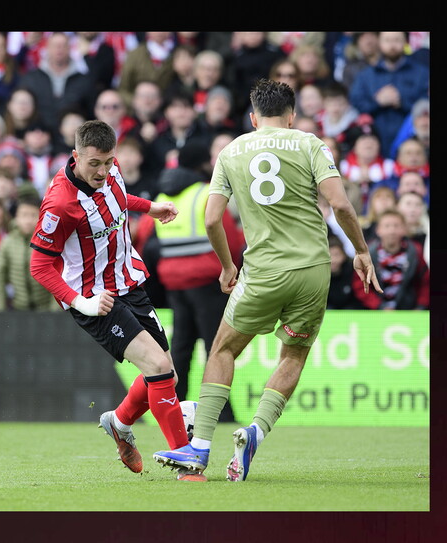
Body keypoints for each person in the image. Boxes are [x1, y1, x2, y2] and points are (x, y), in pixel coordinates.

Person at [153, 78, 382, 482]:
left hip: (262, 271)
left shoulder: (231, 150)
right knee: (293, 355)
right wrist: (362, 251)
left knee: (222, 349)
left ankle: (200, 447)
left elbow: (210, 219)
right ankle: (256, 430)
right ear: (291, 115)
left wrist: (227, 266)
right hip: (313, 271)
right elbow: (341, 204)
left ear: (253, 117)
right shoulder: (310, 143)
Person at [28, 119, 189, 475]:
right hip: (94, 297)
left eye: (108, 162)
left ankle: (118, 422)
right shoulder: (60, 204)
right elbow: (39, 266)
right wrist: (79, 301)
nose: (102, 171)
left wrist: (149, 207)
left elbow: (115, 199)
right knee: (159, 368)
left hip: (128, 280)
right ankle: (186, 461)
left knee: (168, 378)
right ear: (75, 157)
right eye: (94, 164)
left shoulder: (111, 171)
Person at [153, 140, 244, 423]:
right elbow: (229, 235)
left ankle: (174, 408)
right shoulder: (206, 193)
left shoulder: (163, 196)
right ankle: (221, 412)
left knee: (181, 347)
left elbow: (146, 237)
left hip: (174, 283)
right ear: (204, 163)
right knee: (216, 348)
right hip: (207, 282)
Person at [349, 31, 429, 158]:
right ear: (379, 43)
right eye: (387, 40)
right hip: (375, 144)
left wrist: (401, 102)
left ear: (406, 42)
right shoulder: (366, 75)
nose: (392, 45)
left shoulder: (422, 73)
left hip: (412, 145)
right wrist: (377, 102)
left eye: (397, 40)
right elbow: (356, 103)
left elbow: (426, 104)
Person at [351, 209, 429, 311]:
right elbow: (360, 284)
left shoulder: (415, 251)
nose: (392, 231)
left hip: (408, 311)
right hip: (375, 312)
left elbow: (425, 282)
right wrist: (379, 306)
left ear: (404, 229)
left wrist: (420, 306)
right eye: (387, 226)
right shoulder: (368, 253)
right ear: (378, 230)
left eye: (396, 226)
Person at [0, 196, 57, 312]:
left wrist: (55, 311)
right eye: (24, 215)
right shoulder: (8, 242)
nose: (28, 220)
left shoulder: (51, 241)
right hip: (18, 309)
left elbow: (60, 276)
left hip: (46, 310)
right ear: (16, 217)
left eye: (33, 215)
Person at [17, 32, 94, 130]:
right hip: (38, 135)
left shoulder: (84, 80)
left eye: (63, 45)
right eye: (55, 45)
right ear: (47, 48)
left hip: (74, 137)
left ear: (70, 48)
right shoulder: (31, 78)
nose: (59, 49)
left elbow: (91, 113)